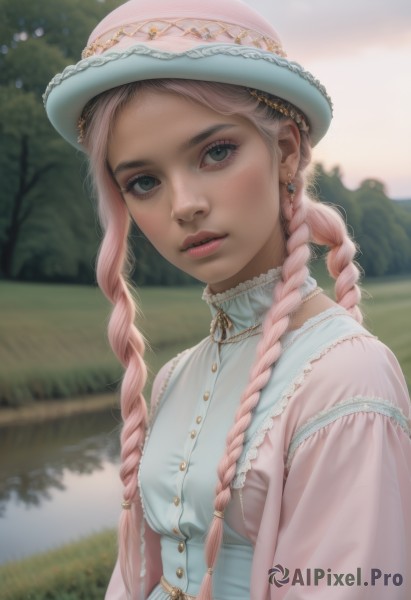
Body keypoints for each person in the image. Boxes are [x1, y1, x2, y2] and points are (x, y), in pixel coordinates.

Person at [44, 0, 411, 598]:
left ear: (287, 150)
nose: (183, 203)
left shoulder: (348, 378)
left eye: (215, 152)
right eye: (144, 181)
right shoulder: (174, 379)